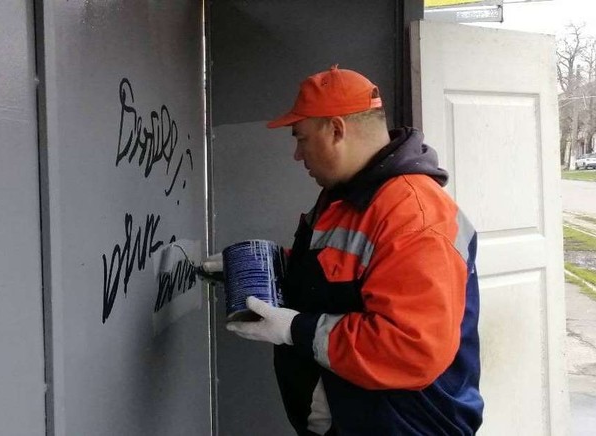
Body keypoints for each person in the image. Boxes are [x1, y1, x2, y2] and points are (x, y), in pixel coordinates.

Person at [204, 65, 484, 435]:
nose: (297, 154)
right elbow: (337, 271)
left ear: (337, 130)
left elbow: (411, 350)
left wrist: (296, 330)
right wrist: (261, 268)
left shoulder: (414, 216)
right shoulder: (345, 195)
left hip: (405, 426)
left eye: (301, 138)